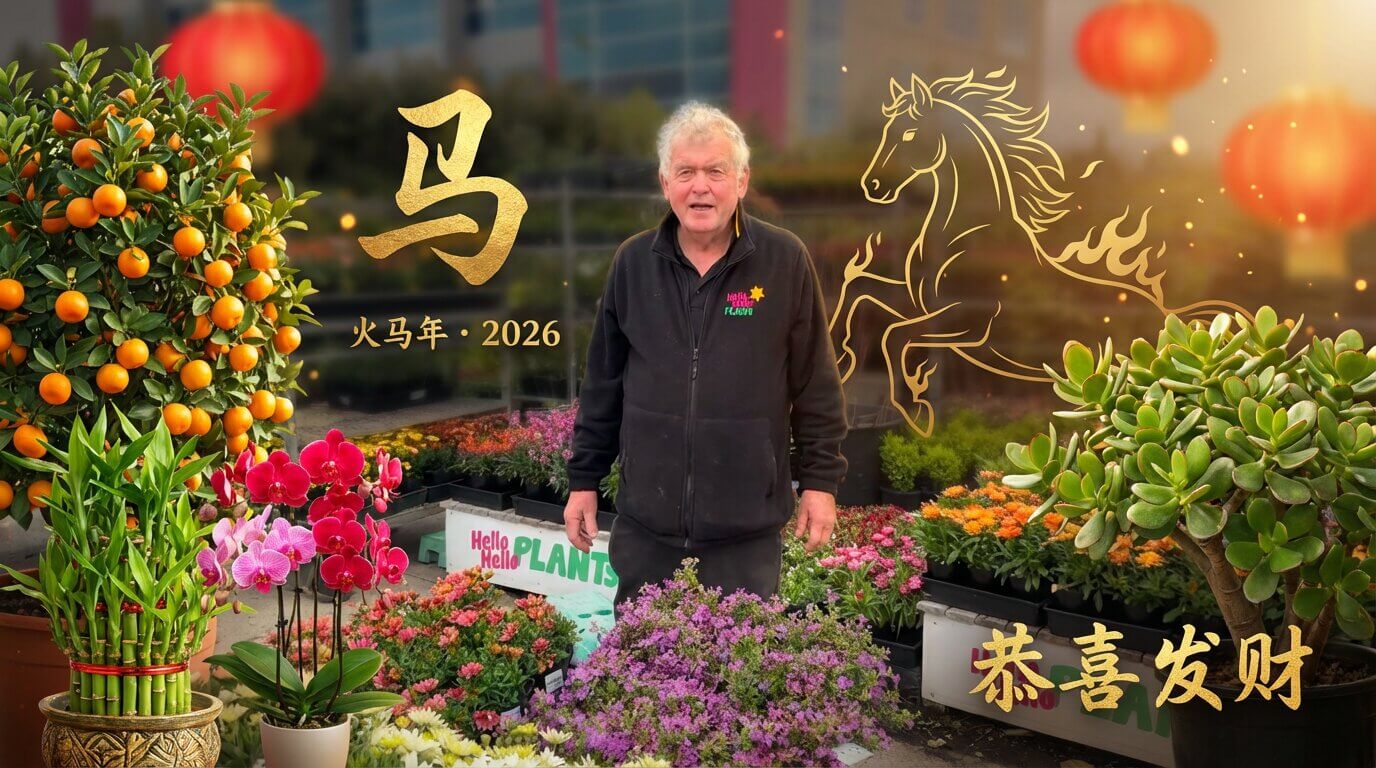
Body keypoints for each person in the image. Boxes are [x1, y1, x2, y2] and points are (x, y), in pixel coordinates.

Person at [562, 102, 848, 612]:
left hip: (745, 534)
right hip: (647, 529)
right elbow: (602, 383)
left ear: (742, 180)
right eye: (686, 172)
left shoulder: (783, 261)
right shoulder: (633, 263)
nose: (701, 187)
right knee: (641, 653)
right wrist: (584, 480)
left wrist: (820, 483)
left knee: (739, 658)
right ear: (664, 182)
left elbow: (816, 384)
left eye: (715, 171)